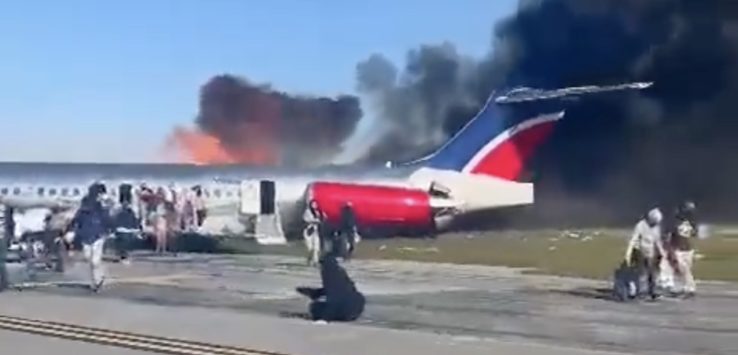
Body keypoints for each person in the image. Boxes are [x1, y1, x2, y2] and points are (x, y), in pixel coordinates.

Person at [68, 183, 113, 292]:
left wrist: (108, 229)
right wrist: (72, 230)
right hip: (86, 234)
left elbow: (107, 218)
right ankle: (98, 277)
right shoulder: (88, 204)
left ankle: (97, 281)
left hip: (98, 234)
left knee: (94, 261)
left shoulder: (101, 205)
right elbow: (77, 218)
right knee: (89, 258)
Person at [296, 253, 365, 322]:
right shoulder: (341, 273)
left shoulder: (328, 272)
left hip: (340, 311)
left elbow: (333, 295)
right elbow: (339, 290)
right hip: (353, 312)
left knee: (315, 306)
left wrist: (324, 318)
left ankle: (329, 314)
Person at [624, 208, 664, 300]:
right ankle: (639, 291)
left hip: (651, 252)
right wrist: (628, 253)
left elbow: (657, 241)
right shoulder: (641, 225)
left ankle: (652, 291)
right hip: (640, 251)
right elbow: (634, 239)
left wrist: (662, 252)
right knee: (641, 273)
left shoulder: (656, 228)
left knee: (652, 273)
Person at [671, 200, 698, 298]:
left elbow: (694, 234)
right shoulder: (678, 224)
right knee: (682, 269)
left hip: (687, 249)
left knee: (685, 270)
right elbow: (674, 237)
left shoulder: (689, 223)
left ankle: (689, 288)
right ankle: (686, 288)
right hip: (681, 249)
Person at [302, 200, 325, 267]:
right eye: (313, 204)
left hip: (316, 231)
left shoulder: (318, 212)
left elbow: (323, 219)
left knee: (316, 247)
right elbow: (306, 219)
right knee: (310, 248)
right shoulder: (308, 212)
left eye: (316, 204)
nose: (314, 206)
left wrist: (322, 217)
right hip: (309, 231)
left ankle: (315, 261)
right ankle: (309, 260)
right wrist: (315, 221)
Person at [0, 201, 9, 292]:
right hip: (2, 236)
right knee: (1, 262)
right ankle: (4, 282)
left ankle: (3, 283)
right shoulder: (4, 207)